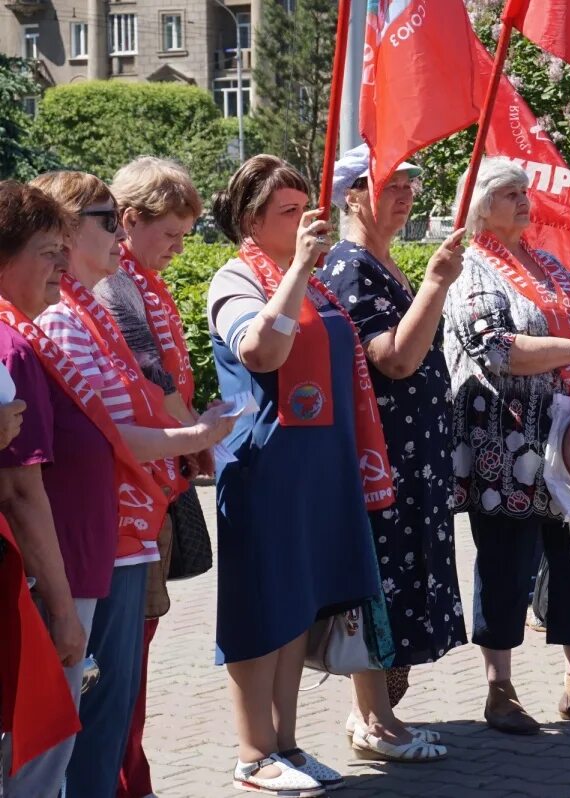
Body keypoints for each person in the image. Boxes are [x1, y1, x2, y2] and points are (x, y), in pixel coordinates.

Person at [30, 170, 232, 798]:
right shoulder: (75, 312)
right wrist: (196, 438)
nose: (119, 234)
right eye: (106, 219)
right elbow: (111, 428)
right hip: (99, 532)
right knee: (94, 699)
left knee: (113, 693)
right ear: (64, 231)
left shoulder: (97, 306)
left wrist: (191, 438)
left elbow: (132, 406)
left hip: (128, 521)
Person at [206, 154, 393, 795]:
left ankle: (285, 742)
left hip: (317, 468)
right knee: (261, 612)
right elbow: (261, 350)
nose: (304, 219)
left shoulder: (310, 282)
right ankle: (253, 751)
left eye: (304, 206)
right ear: (251, 220)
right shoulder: (236, 278)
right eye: (288, 211)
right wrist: (297, 271)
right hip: (266, 470)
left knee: (296, 610)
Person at [442, 157, 570, 734]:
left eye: (524, 191)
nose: (525, 201)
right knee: (506, 565)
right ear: (480, 206)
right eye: (509, 193)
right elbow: (499, 350)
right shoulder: (471, 269)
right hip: (508, 442)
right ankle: (499, 691)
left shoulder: (550, 263)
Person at [317, 144, 466, 763]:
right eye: (388, 184)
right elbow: (397, 359)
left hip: (413, 454)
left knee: (402, 578)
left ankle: (380, 715)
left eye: (409, 183)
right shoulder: (351, 266)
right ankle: (372, 720)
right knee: (383, 579)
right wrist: (436, 284)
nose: (405, 193)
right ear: (352, 195)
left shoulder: (383, 262)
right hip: (387, 457)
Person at [98, 156, 209, 798]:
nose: (177, 248)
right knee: (124, 658)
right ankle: (122, 780)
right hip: (133, 496)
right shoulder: (118, 285)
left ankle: (128, 775)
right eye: (169, 234)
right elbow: (153, 384)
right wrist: (199, 436)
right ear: (130, 220)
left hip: (155, 485)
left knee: (135, 652)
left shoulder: (140, 280)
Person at [0, 180, 95, 797]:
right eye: (45, 250)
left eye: (64, 248)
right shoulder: (10, 347)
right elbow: (21, 493)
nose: (62, 265)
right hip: (20, 588)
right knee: (36, 757)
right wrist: (63, 614)